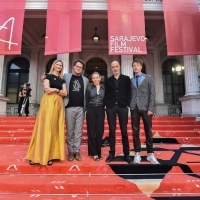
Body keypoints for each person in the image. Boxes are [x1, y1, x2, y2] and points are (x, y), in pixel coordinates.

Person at [26, 60, 67, 166]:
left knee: (54, 128)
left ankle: (51, 155)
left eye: (60, 65)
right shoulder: (47, 76)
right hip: (48, 102)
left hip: (58, 104)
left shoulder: (62, 79)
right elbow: (47, 89)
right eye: (57, 64)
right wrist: (58, 90)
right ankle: (37, 155)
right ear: (54, 66)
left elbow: (65, 93)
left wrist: (56, 90)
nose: (58, 66)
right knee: (44, 127)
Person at [130, 58, 159, 164]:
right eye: (134, 65)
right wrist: (130, 104)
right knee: (135, 132)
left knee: (148, 132)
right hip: (134, 108)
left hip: (146, 108)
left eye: (137, 65)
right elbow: (130, 94)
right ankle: (137, 154)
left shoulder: (148, 78)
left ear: (141, 67)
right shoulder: (131, 80)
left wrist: (151, 108)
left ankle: (150, 154)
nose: (135, 67)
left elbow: (152, 93)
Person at [104, 61, 133, 164]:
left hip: (122, 107)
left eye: (116, 66)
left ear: (119, 67)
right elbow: (106, 93)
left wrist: (128, 103)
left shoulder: (126, 79)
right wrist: (106, 104)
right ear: (111, 68)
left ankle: (127, 154)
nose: (115, 68)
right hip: (111, 107)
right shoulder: (108, 80)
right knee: (112, 131)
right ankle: (111, 153)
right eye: (113, 67)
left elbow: (129, 92)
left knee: (124, 131)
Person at [63, 59, 89, 162]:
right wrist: (45, 78)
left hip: (81, 108)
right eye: (77, 66)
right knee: (70, 131)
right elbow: (55, 79)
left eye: (80, 67)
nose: (78, 68)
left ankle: (77, 151)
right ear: (73, 66)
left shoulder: (85, 80)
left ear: (82, 69)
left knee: (78, 131)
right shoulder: (66, 76)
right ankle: (70, 151)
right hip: (69, 107)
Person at [86, 72, 105, 161]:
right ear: (92, 79)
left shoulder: (104, 88)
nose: (95, 79)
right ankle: (94, 153)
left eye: (97, 78)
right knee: (91, 131)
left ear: (100, 78)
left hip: (101, 110)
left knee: (99, 131)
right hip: (91, 110)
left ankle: (98, 152)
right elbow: (86, 100)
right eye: (93, 78)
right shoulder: (89, 88)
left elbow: (106, 99)